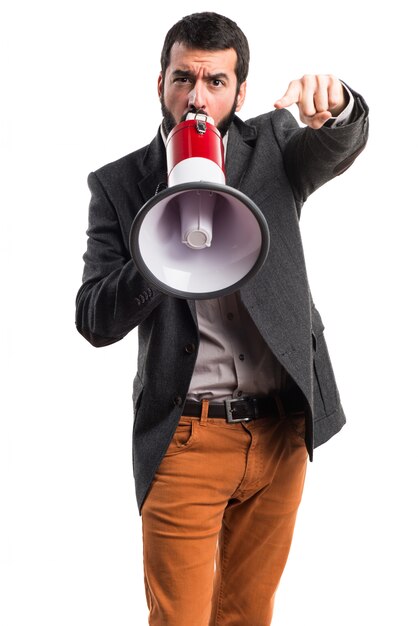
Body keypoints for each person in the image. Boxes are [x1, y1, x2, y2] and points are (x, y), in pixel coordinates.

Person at [75, 11, 369, 626]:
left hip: (281, 432)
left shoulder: (275, 147)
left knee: (248, 613)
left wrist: (340, 106)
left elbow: (337, 145)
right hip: (186, 438)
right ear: (160, 83)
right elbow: (94, 318)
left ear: (240, 92)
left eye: (215, 82)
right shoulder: (119, 183)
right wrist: (162, 251)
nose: (197, 98)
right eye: (184, 79)